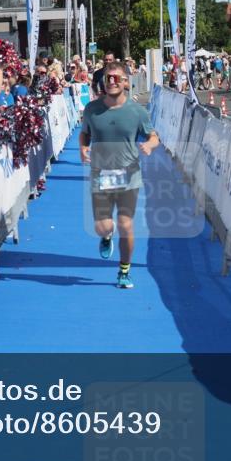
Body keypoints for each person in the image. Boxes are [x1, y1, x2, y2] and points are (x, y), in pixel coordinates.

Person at [79, 61, 159, 290]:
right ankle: (106, 236)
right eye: (108, 78)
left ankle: (124, 271)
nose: (112, 81)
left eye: (116, 78)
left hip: (129, 175)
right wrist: (83, 147)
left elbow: (153, 136)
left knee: (126, 225)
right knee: (102, 227)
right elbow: (85, 135)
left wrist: (150, 145)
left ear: (126, 82)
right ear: (103, 81)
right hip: (100, 175)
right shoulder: (92, 109)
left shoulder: (137, 111)